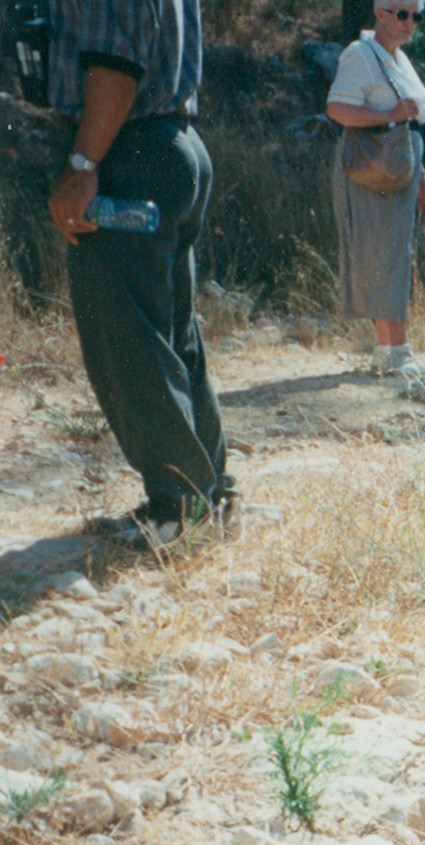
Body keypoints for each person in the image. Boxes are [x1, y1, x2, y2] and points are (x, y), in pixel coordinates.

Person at [47, 0, 234, 549]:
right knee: (171, 335)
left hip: (125, 153)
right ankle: (211, 495)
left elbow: (117, 67)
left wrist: (82, 165)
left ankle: (179, 508)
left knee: (125, 336)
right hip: (170, 144)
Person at [326, 1, 425, 378]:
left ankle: (390, 349)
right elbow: (338, 108)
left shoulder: (400, 60)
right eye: (401, 14)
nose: (409, 24)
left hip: (398, 169)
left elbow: (411, 123)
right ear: (380, 12)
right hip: (370, 168)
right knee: (380, 254)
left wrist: (419, 174)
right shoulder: (360, 54)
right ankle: (395, 350)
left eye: (416, 16)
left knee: (392, 253)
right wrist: (389, 115)